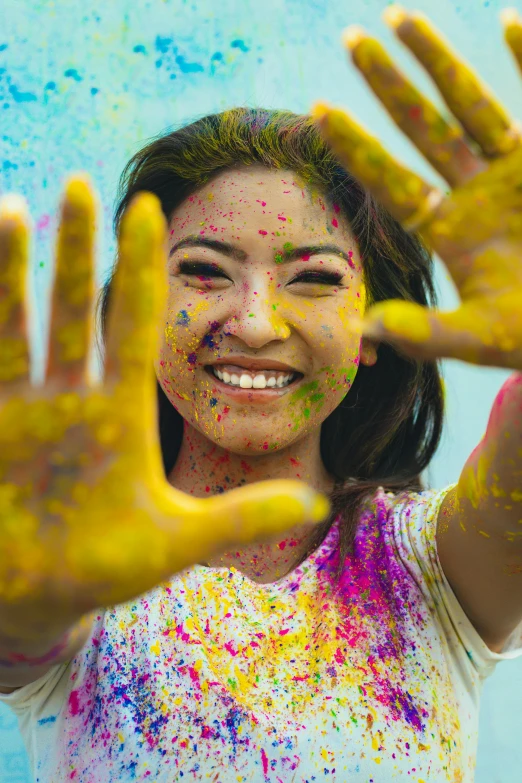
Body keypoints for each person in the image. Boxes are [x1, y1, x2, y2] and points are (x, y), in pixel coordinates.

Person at [1, 7, 522, 782]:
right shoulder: (79, 571)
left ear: (374, 328)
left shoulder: (435, 568)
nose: (252, 322)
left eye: (313, 278)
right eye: (205, 270)